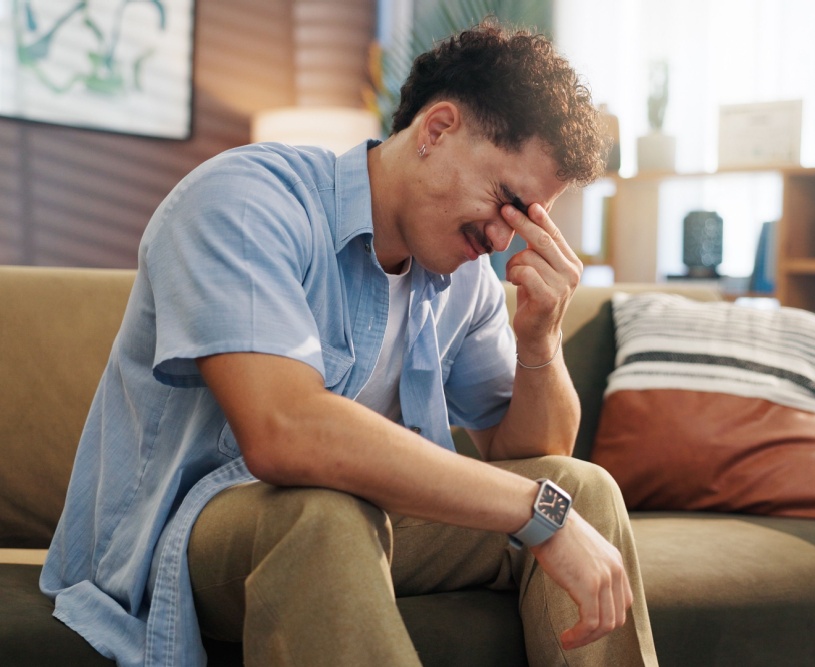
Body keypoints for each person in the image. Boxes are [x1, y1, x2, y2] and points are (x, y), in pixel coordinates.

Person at [41, 19, 658, 667]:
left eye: (526, 218)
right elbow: (285, 431)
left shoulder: (464, 277)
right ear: (437, 129)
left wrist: (540, 338)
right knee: (326, 513)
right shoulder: (246, 201)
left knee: (581, 489)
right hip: (190, 534)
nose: (504, 241)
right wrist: (536, 509)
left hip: (367, 522)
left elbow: (535, 454)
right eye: (506, 200)